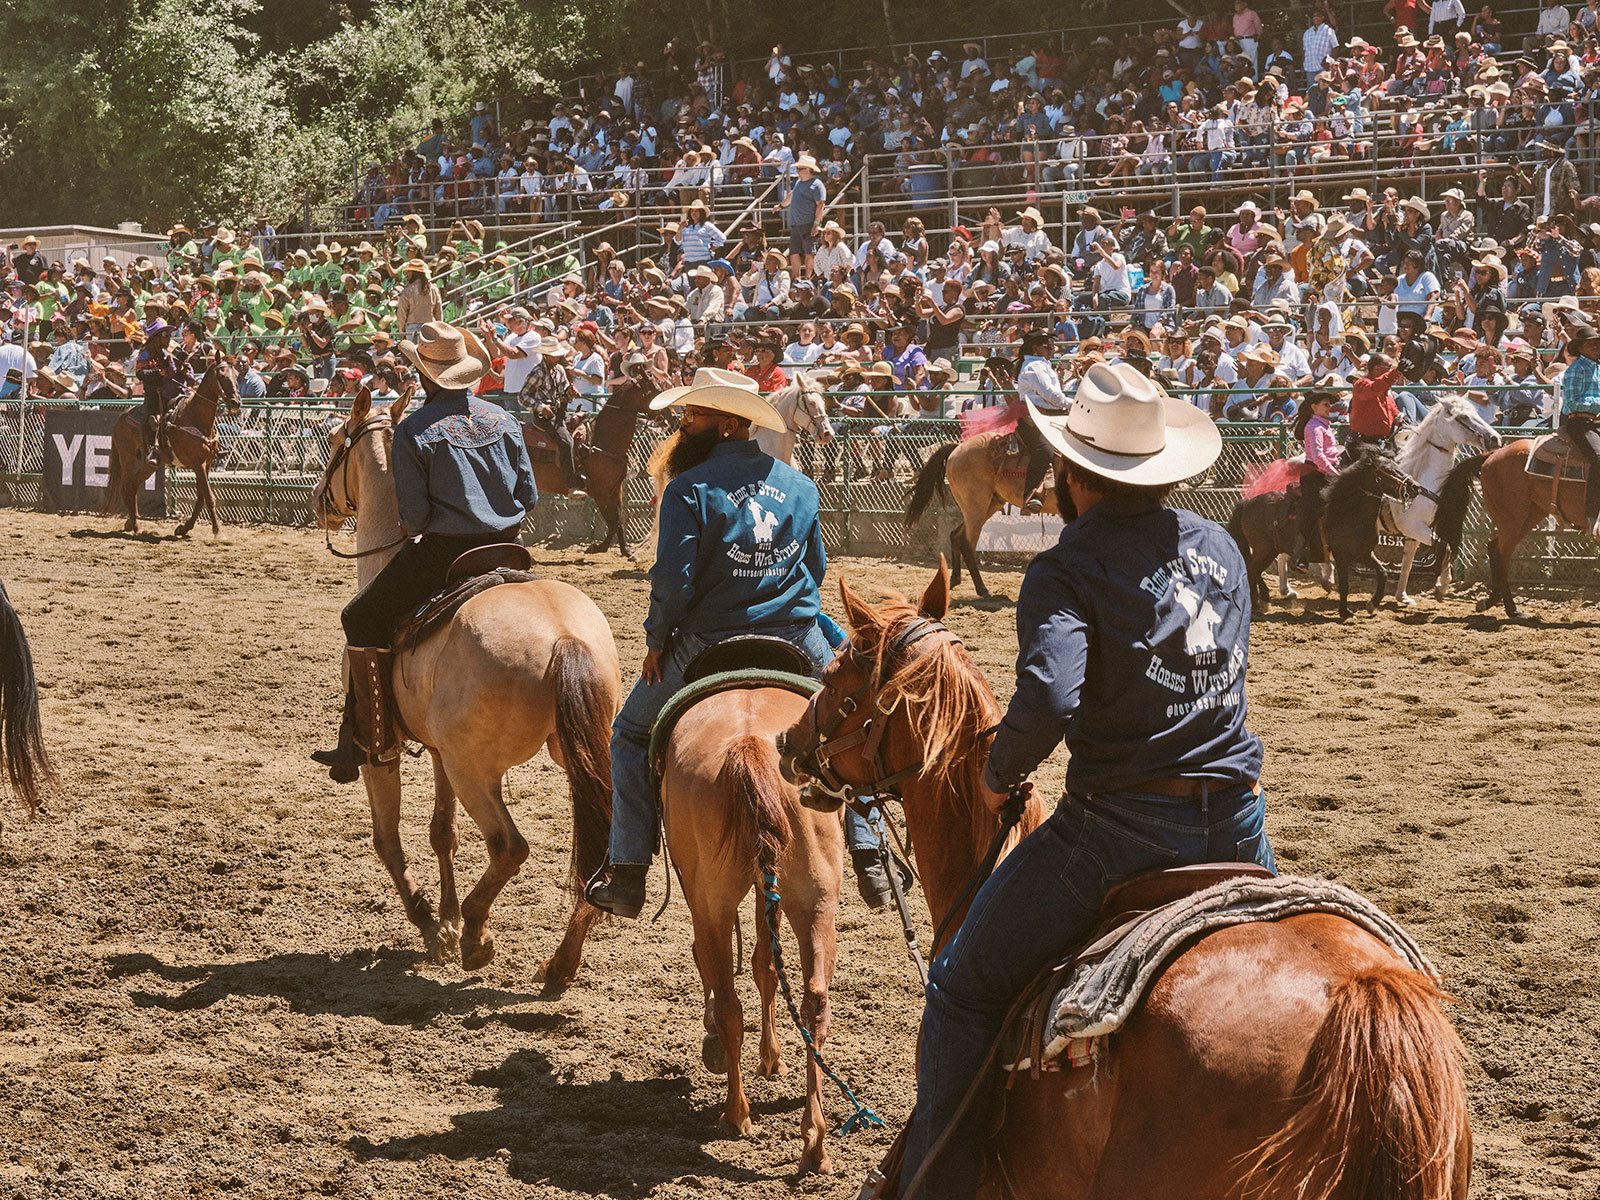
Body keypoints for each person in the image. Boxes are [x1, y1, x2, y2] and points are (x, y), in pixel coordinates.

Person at [893, 362, 1268, 1200]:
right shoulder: (1220, 547)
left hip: (1120, 828)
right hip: (1238, 818)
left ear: (1069, 472)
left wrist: (999, 774)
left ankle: (933, 1182)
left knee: (962, 984)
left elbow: (1054, 696)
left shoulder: (1068, 566)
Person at [584, 368, 896, 917]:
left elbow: (674, 582)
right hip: (796, 633)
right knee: (859, 717)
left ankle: (629, 870)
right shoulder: (799, 486)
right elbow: (817, 569)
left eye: (695, 415)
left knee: (630, 735)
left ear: (729, 424)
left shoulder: (687, 489)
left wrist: (657, 640)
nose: (684, 425)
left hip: (708, 638)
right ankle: (871, 853)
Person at [312, 322, 537, 782]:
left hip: (444, 556)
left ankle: (373, 736)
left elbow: (412, 520)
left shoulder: (415, 429)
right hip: (508, 550)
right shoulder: (506, 420)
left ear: (427, 376)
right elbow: (528, 495)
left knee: (359, 617)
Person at [1013, 330, 1070, 512]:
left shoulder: (1041, 365)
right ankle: (1030, 495)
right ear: (1035, 348)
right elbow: (1052, 395)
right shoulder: (1033, 367)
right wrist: (1075, 403)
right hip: (1033, 418)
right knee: (1043, 449)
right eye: (1046, 345)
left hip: (1048, 416)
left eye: (1051, 345)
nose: (1051, 348)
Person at [519, 336, 582, 490]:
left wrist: (570, 393)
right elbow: (522, 397)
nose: (558, 357)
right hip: (544, 417)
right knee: (566, 442)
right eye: (555, 355)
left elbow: (563, 395)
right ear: (546, 356)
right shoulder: (537, 372)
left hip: (559, 413)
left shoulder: (559, 370)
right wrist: (540, 407)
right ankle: (570, 484)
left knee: (582, 427)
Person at [1558, 318, 1600, 534]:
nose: (1595, 346)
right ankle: (1593, 514)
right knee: (1598, 457)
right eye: (1590, 343)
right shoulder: (1576, 369)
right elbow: (1572, 401)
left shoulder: (1598, 369)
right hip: (1579, 422)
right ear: (1581, 348)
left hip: (1595, 423)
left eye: (1597, 343)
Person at [134, 319, 192, 461]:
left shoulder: (164, 354)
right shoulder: (145, 354)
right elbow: (140, 374)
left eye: (169, 335)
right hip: (153, 394)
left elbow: (171, 370)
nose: (169, 338)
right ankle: (151, 448)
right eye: (165, 335)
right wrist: (158, 373)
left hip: (169, 391)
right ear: (157, 338)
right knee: (152, 417)